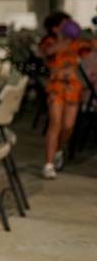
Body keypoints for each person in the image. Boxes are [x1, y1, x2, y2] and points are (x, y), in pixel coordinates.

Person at [38, 11, 92, 179]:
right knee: (55, 122)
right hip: (56, 87)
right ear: (55, 28)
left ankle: (58, 150)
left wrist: (84, 36)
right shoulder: (49, 41)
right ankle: (48, 164)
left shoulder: (78, 43)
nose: (70, 25)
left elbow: (90, 49)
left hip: (73, 88)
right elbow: (46, 53)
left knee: (68, 126)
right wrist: (66, 39)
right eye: (65, 23)